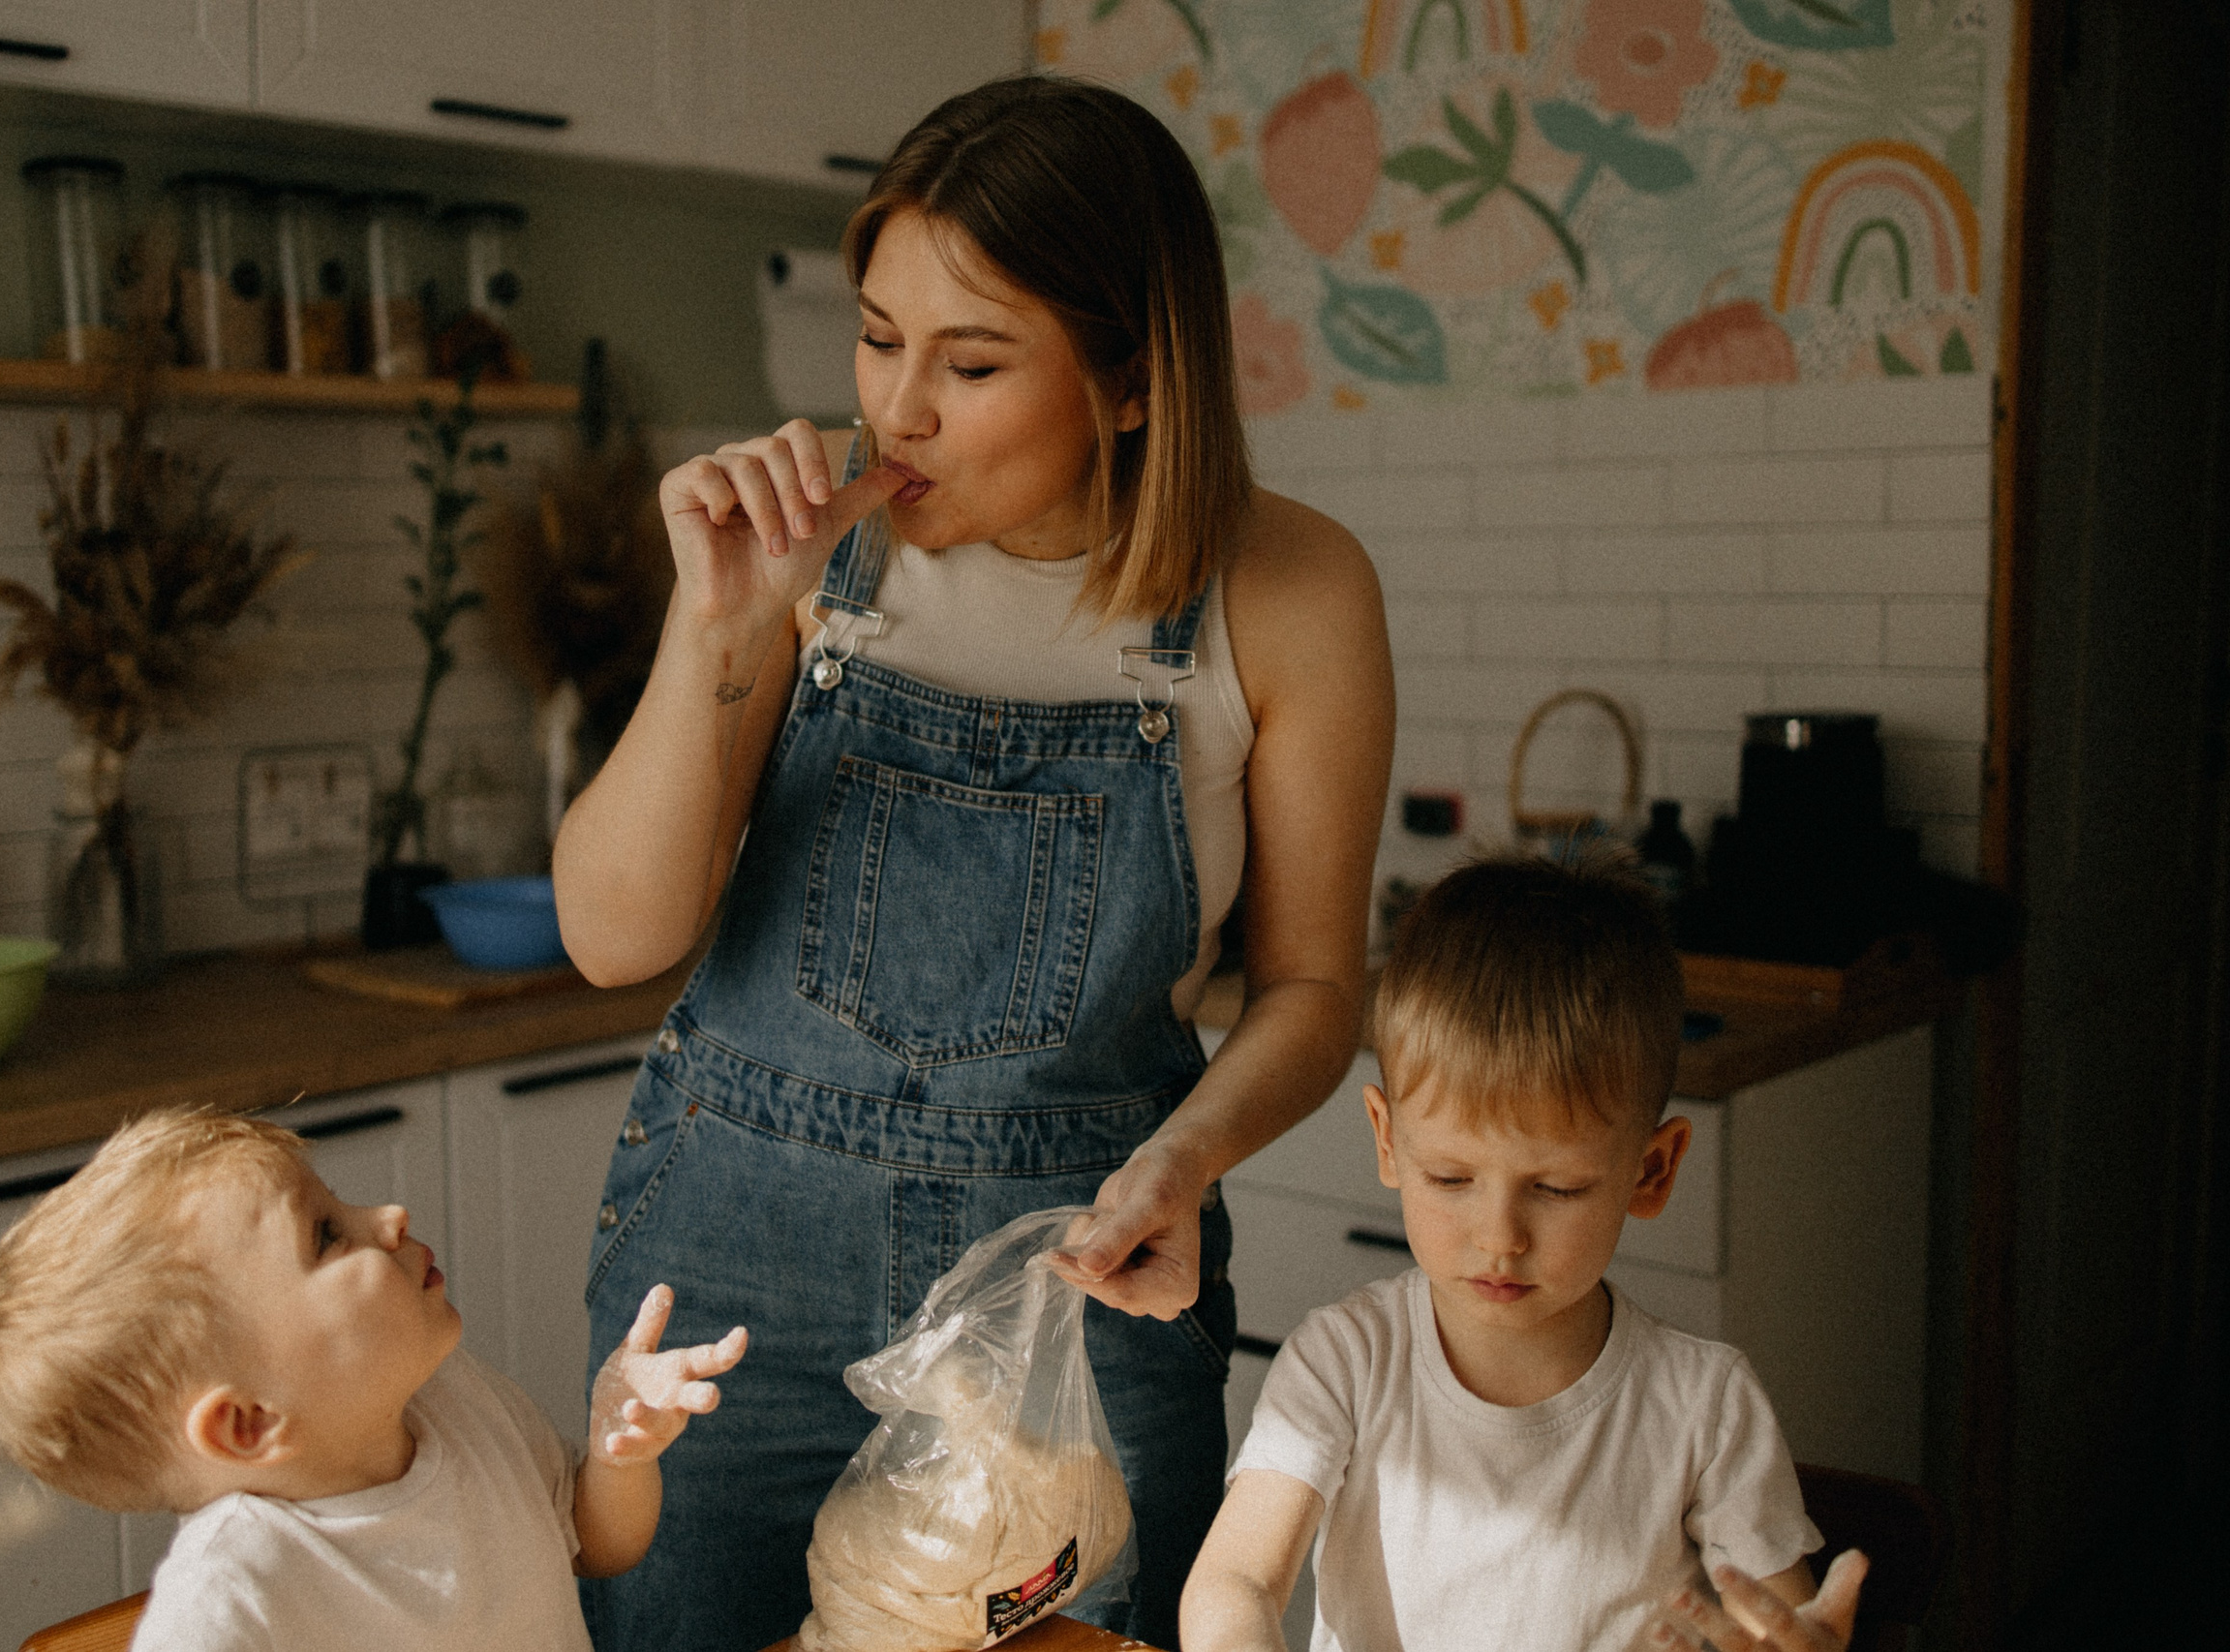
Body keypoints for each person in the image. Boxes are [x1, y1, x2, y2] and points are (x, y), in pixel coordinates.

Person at [553, 75, 1392, 1652]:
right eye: (877, 337)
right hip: (731, 1276)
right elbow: (612, 933)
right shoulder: (804, 549)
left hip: (1075, 1288)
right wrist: (716, 619)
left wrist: (1186, 1161)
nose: (895, 412)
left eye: (975, 360)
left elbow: (1314, 990)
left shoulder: (1288, 595)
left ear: (1133, 380)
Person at [1180, 853, 1870, 1652]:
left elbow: (1781, 1630)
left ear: (1652, 1170)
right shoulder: (1345, 1362)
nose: (1499, 1237)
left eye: (1558, 1189)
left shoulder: (1705, 1410)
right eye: (1450, 1177)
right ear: (1388, 1143)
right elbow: (1236, 1582)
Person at [0, 1108, 747, 1652]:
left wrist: (620, 1453)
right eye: (326, 1234)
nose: (392, 1213)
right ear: (248, 1424)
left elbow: (593, 1542)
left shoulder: (454, 1397)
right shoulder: (232, 1594)